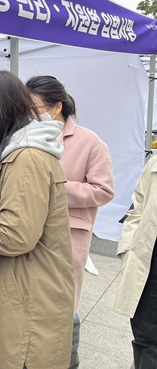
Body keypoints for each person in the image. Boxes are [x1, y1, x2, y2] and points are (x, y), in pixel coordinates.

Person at [0, 71, 74, 369]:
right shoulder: (17, 153)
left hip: (24, 310)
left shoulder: (26, 159)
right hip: (18, 297)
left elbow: (16, 236)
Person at [26, 75, 115, 369]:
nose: (31, 114)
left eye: (35, 107)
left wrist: (57, 188)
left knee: (61, 307)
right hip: (30, 230)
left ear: (56, 107)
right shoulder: (28, 137)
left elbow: (103, 191)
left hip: (68, 233)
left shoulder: (90, 142)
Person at [115, 156, 157, 369]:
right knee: (145, 339)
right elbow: (137, 206)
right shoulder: (155, 163)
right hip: (149, 263)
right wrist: (127, 247)